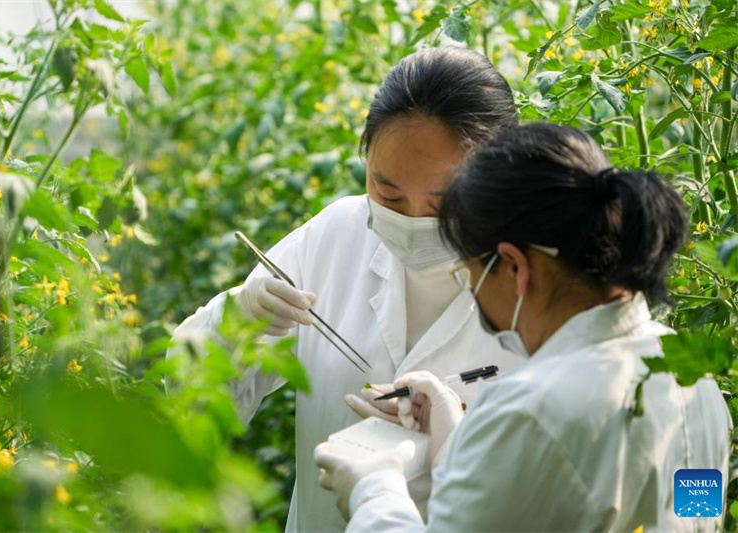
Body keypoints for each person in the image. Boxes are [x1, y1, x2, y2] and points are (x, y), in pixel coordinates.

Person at [167, 47, 526, 532]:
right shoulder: (337, 236)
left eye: (444, 201)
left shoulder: (539, 285)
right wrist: (235, 322)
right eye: (388, 193)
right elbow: (193, 398)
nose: (414, 219)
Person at [315, 123, 732, 532]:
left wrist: (373, 489)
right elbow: (696, 512)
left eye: (471, 272)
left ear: (514, 266)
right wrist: (454, 440)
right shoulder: (696, 383)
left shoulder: (532, 413)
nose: (473, 290)